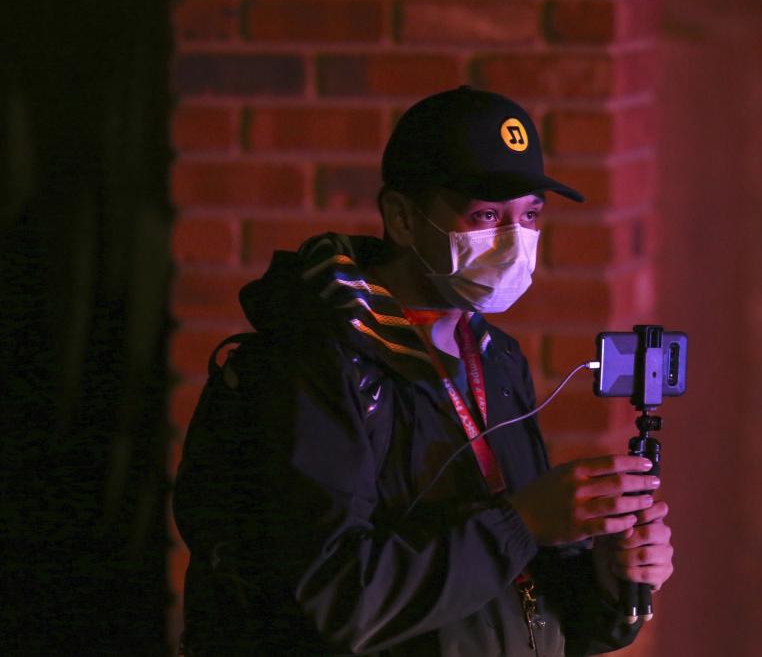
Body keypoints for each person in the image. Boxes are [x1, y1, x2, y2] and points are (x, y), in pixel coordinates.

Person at [173, 86, 674, 656]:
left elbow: (520, 592)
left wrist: (608, 582)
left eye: (530, 214)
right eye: (485, 215)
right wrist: (524, 522)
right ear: (403, 218)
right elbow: (336, 598)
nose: (514, 241)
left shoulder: (494, 355)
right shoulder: (317, 360)